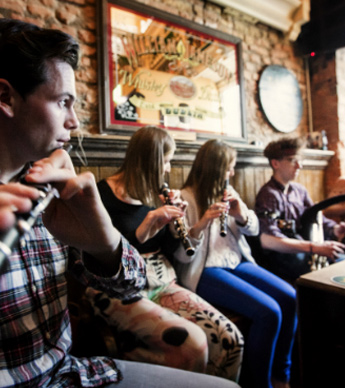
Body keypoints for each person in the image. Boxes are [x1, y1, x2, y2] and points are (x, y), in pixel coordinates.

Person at [0, 18, 237, 387]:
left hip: (68, 373)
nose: (75, 121)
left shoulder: (54, 188)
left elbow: (132, 286)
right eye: (63, 102)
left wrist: (105, 243)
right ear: (5, 98)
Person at [93, 126, 243, 381]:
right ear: (150, 161)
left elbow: (175, 252)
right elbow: (101, 256)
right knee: (193, 346)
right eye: (166, 161)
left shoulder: (157, 193)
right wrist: (148, 223)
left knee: (231, 338)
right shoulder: (102, 195)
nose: (168, 169)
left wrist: (181, 227)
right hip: (116, 288)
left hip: (161, 280)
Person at [179, 140, 297, 388]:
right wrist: (201, 224)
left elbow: (253, 230)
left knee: (291, 297)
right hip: (206, 271)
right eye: (229, 167)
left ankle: (281, 375)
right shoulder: (185, 198)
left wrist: (240, 213)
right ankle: (260, 383)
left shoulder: (227, 192)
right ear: (214, 168)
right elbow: (182, 255)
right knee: (269, 311)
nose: (232, 173)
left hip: (236, 262)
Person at [254, 136, 345, 282]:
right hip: (283, 259)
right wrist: (313, 247)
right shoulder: (268, 195)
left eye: (299, 160)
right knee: (336, 273)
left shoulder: (299, 191)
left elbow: (315, 217)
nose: (299, 166)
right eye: (292, 160)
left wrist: (336, 229)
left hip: (306, 251)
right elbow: (268, 240)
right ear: (275, 163)